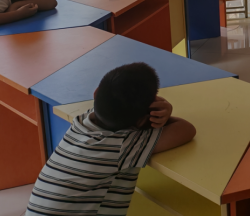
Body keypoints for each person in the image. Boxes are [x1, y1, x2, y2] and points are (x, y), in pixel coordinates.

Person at [25, 63, 196, 216]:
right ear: (143, 118)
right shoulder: (121, 145)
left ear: (96, 93)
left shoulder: (81, 122)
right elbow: (187, 130)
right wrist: (164, 113)